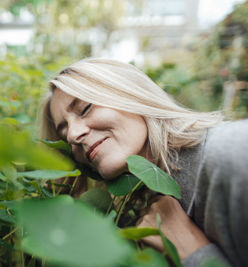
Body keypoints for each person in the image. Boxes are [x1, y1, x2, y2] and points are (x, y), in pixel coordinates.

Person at [38, 58, 248, 267]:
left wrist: (194, 254)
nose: (73, 135)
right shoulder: (127, 212)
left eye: (85, 109)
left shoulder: (233, 152)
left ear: (130, 94)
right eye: (64, 132)